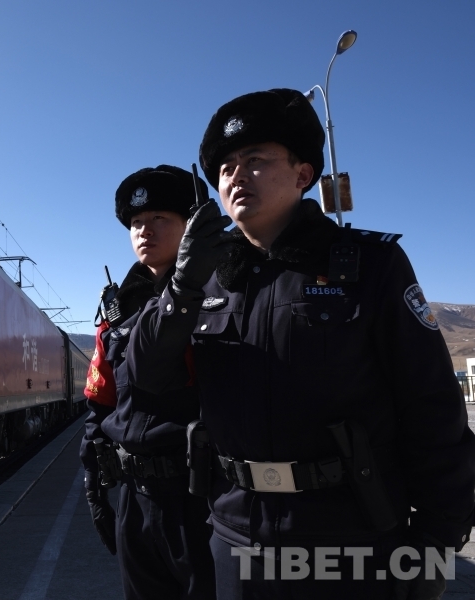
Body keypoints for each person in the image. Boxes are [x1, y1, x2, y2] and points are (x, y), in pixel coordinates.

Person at [127, 88, 475, 599]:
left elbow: (431, 406)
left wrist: (437, 541)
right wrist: (180, 287)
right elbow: (147, 377)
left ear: (303, 173)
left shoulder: (368, 265)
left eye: (255, 160)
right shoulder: (205, 279)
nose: (236, 175)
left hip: (350, 535)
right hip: (235, 535)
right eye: (225, 168)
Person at [81, 165, 222, 600]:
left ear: (190, 223)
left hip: (204, 496)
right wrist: (94, 484)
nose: (145, 230)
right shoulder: (117, 309)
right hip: (136, 497)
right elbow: (101, 402)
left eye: (160, 218)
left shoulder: (223, 293)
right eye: (137, 222)